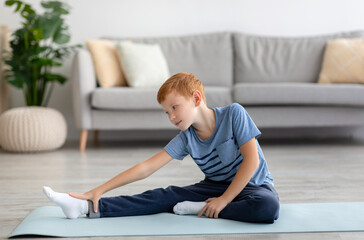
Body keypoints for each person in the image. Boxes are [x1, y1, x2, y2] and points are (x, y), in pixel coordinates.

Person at [43, 72, 280, 223]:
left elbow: (252, 162)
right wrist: (97, 190)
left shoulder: (234, 114)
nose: (171, 116)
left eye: (175, 107)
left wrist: (224, 200)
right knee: (164, 195)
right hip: (213, 187)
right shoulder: (187, 137)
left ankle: (201, 208)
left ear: (196, 99)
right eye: (166, 112)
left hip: (254, 187)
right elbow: (146, 167)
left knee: (268, 207)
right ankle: (84, 208)